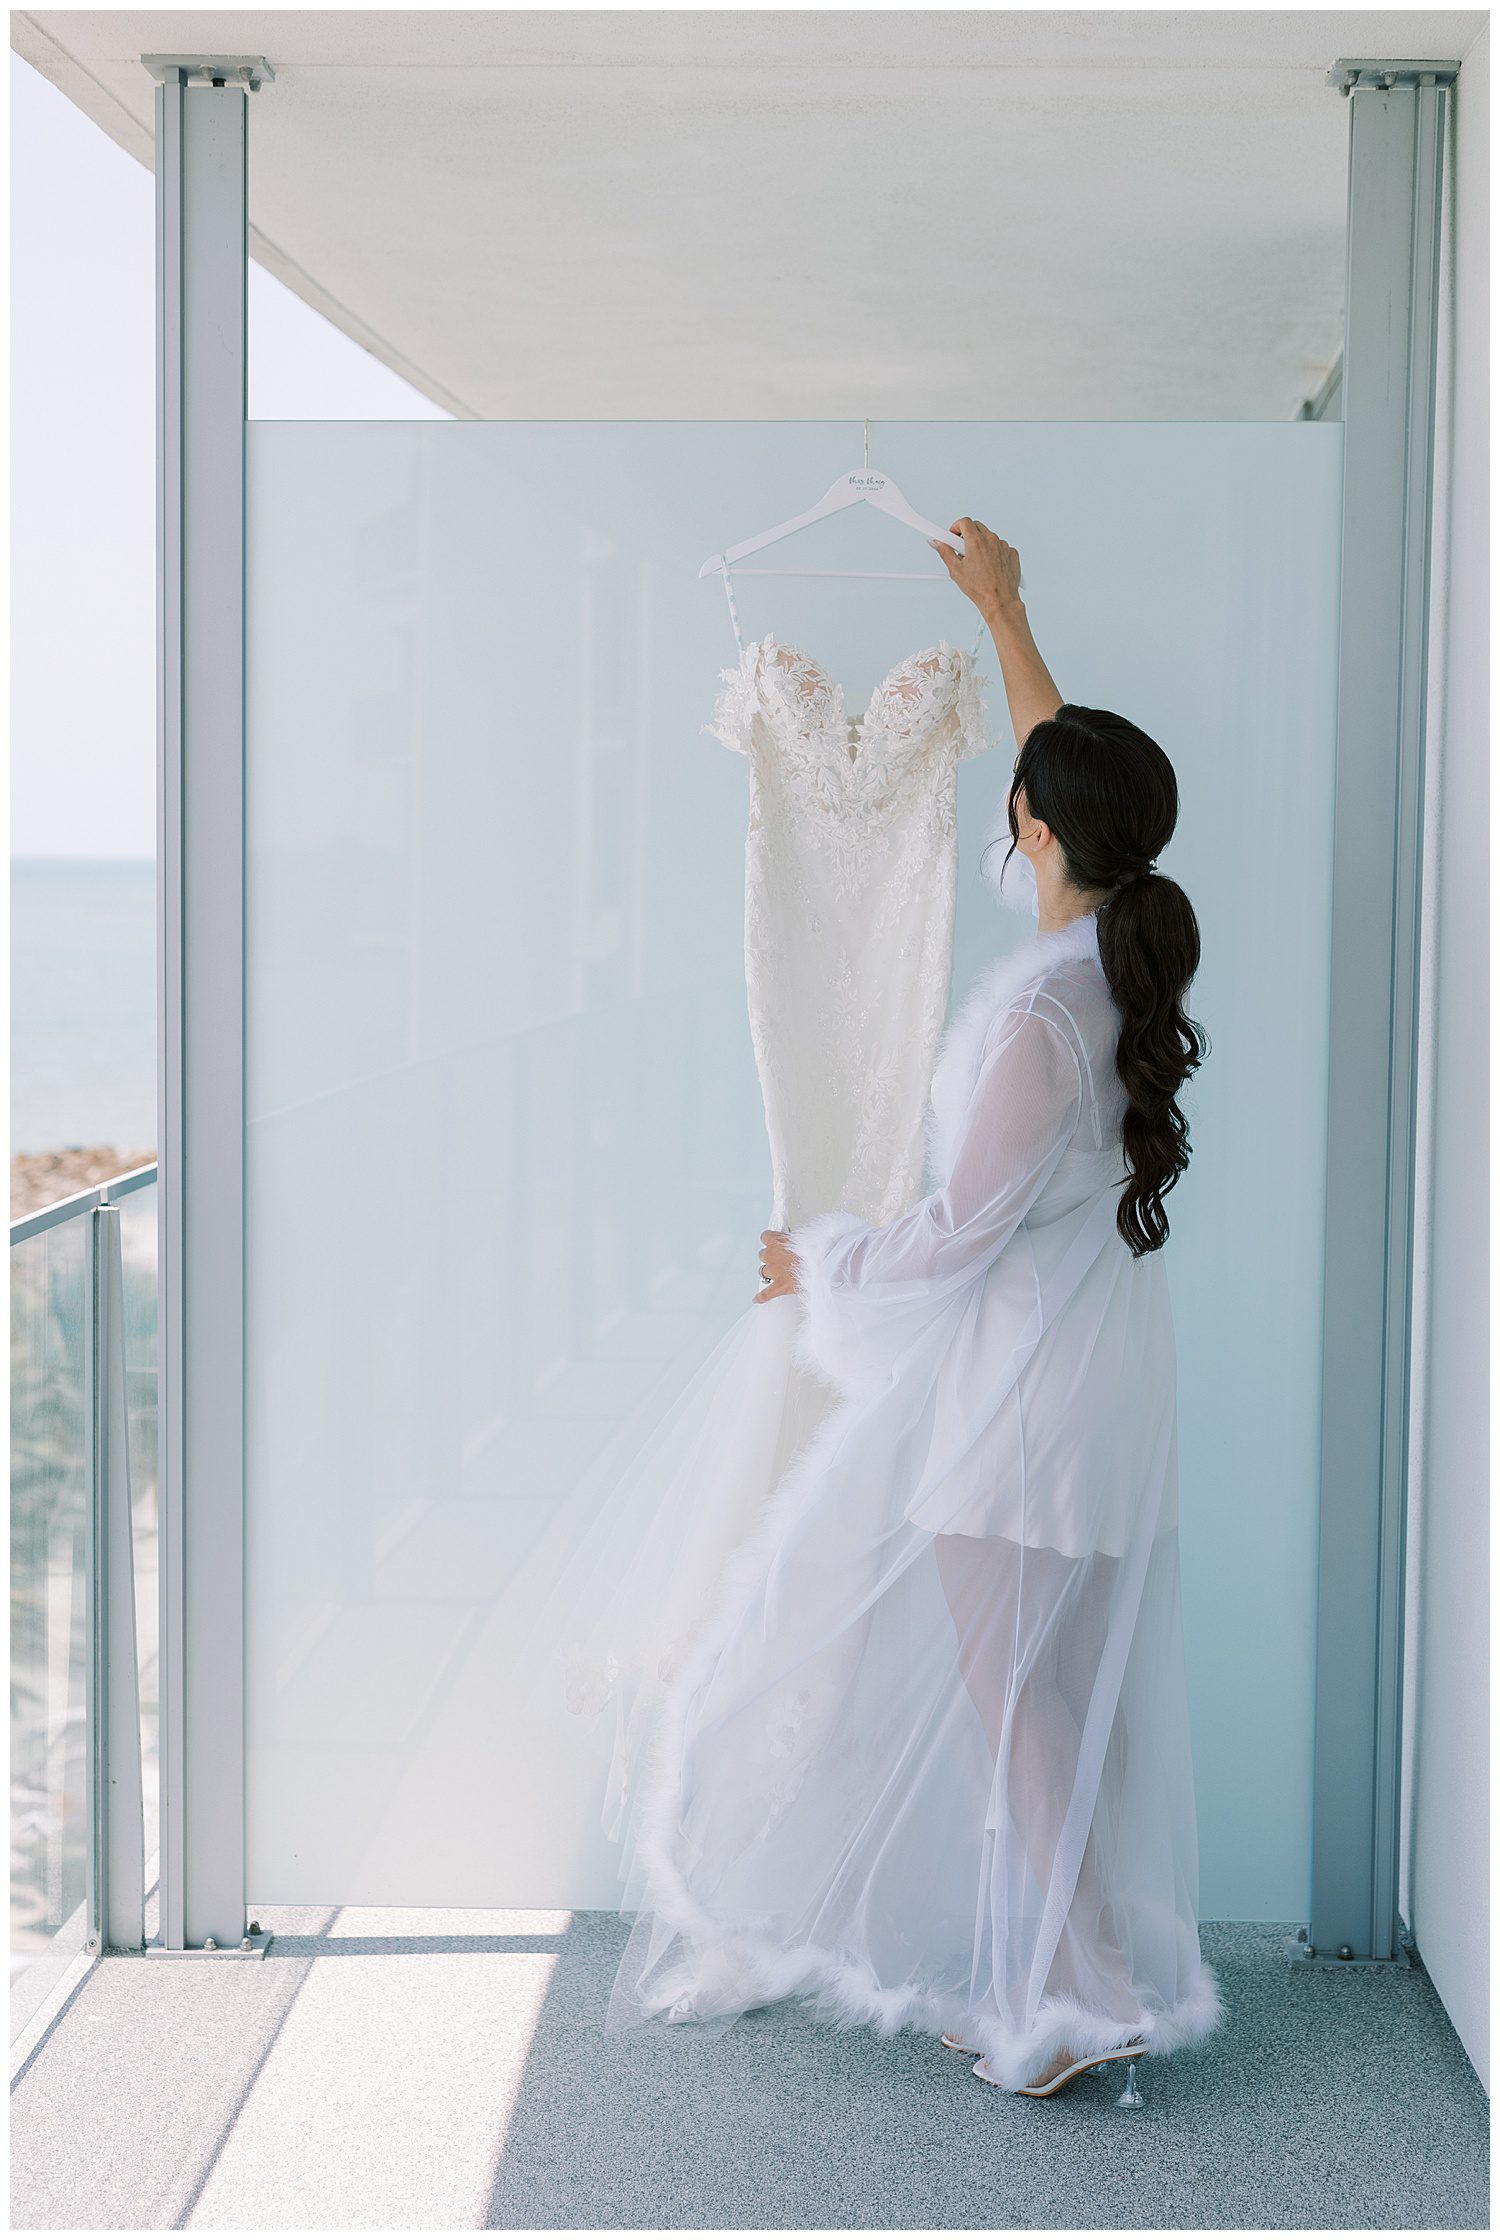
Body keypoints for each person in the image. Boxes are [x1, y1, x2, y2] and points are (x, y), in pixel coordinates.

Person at [608, 520, 1226, 2099]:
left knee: (1011, 1706)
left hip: (1025, 1401)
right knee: (1050, 1701)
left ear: (1025, 829)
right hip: (1093, 1380)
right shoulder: (1112, 956)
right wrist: (1010, 609)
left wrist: (815, 1262)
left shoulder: (1037, 1010)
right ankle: (1053, 1982)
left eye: (1016, 802)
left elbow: (953, 1241)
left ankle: (1074, 2005)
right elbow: (1054, 753)